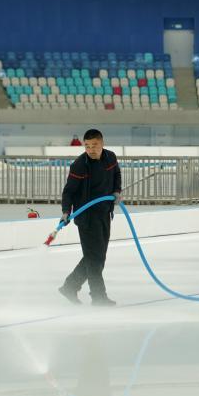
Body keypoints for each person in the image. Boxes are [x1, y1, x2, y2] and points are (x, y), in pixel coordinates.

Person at [58, 129, 122, 306]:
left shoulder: (111, 158)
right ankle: (98, 297)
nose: (91, 149)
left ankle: (70, 286)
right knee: (95, 258)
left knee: (96, 256)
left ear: (102, 144)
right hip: (86, 217)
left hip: (104, 212)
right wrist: (66, 211)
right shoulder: (80, 165)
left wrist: (117, 191)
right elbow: (68, 191)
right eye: (87, 146)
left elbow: (117, 174)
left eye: (94, 145)